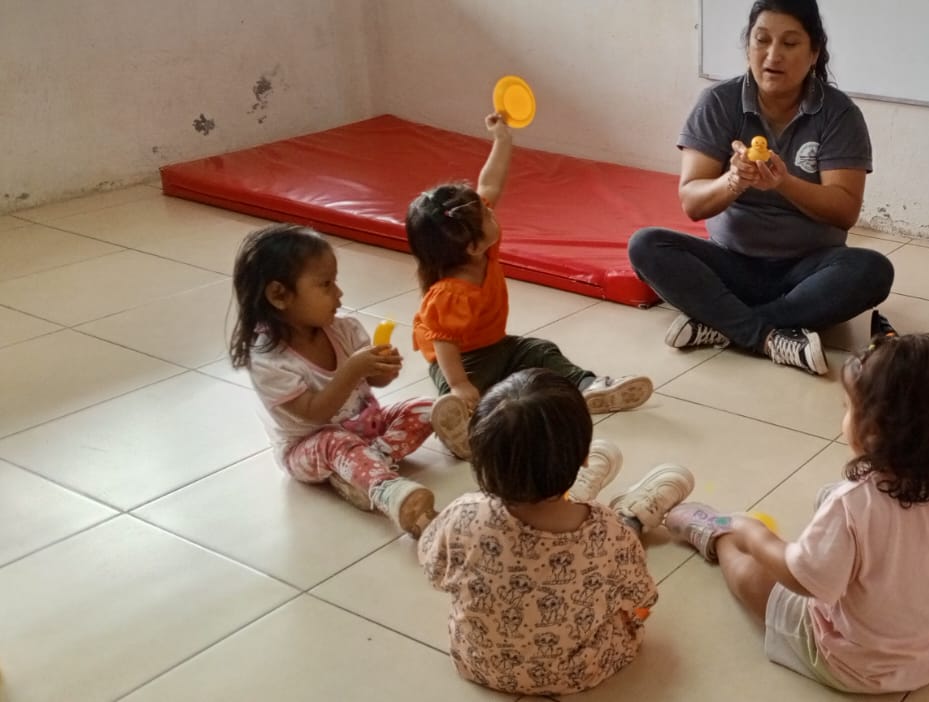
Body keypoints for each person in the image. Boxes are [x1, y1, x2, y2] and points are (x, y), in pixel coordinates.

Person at [663, 335, 929, 693]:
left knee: (753, 571)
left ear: (872, 431)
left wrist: (754, 536)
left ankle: (716, 534)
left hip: (857, 666)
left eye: (848, 408)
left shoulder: (852, 503)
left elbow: (803, 580)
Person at [628, 0, 892, 375]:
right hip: (730, 264)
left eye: (790, 43)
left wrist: (784, 183)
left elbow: (844, 210)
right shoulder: (719, 102)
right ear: (748, 45)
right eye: (762, 40)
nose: (773, 55)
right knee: (646, 245)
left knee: (873, 270)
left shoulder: (839, 114)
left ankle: (723, 323)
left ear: (814, 53)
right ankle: (768, 334)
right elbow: (692, 202)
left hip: (807, 271)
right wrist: (733, 181)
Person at [420, 369, 696, 696]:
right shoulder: (607, 530)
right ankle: (631, 515)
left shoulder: (463, 513)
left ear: (480, 460)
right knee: (627, 595)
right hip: (580, 671)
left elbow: (434, 569)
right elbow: (641, 597)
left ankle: (577, 491)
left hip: (477, 662)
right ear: (583, 456)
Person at [408, 112, 653, 456]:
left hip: (497, 346)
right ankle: (462, 425)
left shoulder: (481, 246)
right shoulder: (451, 293)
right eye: (487, 215)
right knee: (466, 395)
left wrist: (502, 140)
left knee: (540, 351)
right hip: (461, 363)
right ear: (472, 246)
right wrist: (459, 383)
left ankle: (588, 386)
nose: (492, 210)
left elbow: (489, 185)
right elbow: (443, 343)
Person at [230, 223, 464, 538]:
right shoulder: (270, 361)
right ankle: (387, 491)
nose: (339, 294)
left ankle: (366, 466)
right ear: (279, 295)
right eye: (326, 284)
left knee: (424, 407)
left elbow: (375, 382)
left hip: (366, 426)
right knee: (335, 442)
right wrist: (353, 369)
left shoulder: (344, 329)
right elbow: (315, 414)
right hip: (310, 447)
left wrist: (382, 370)